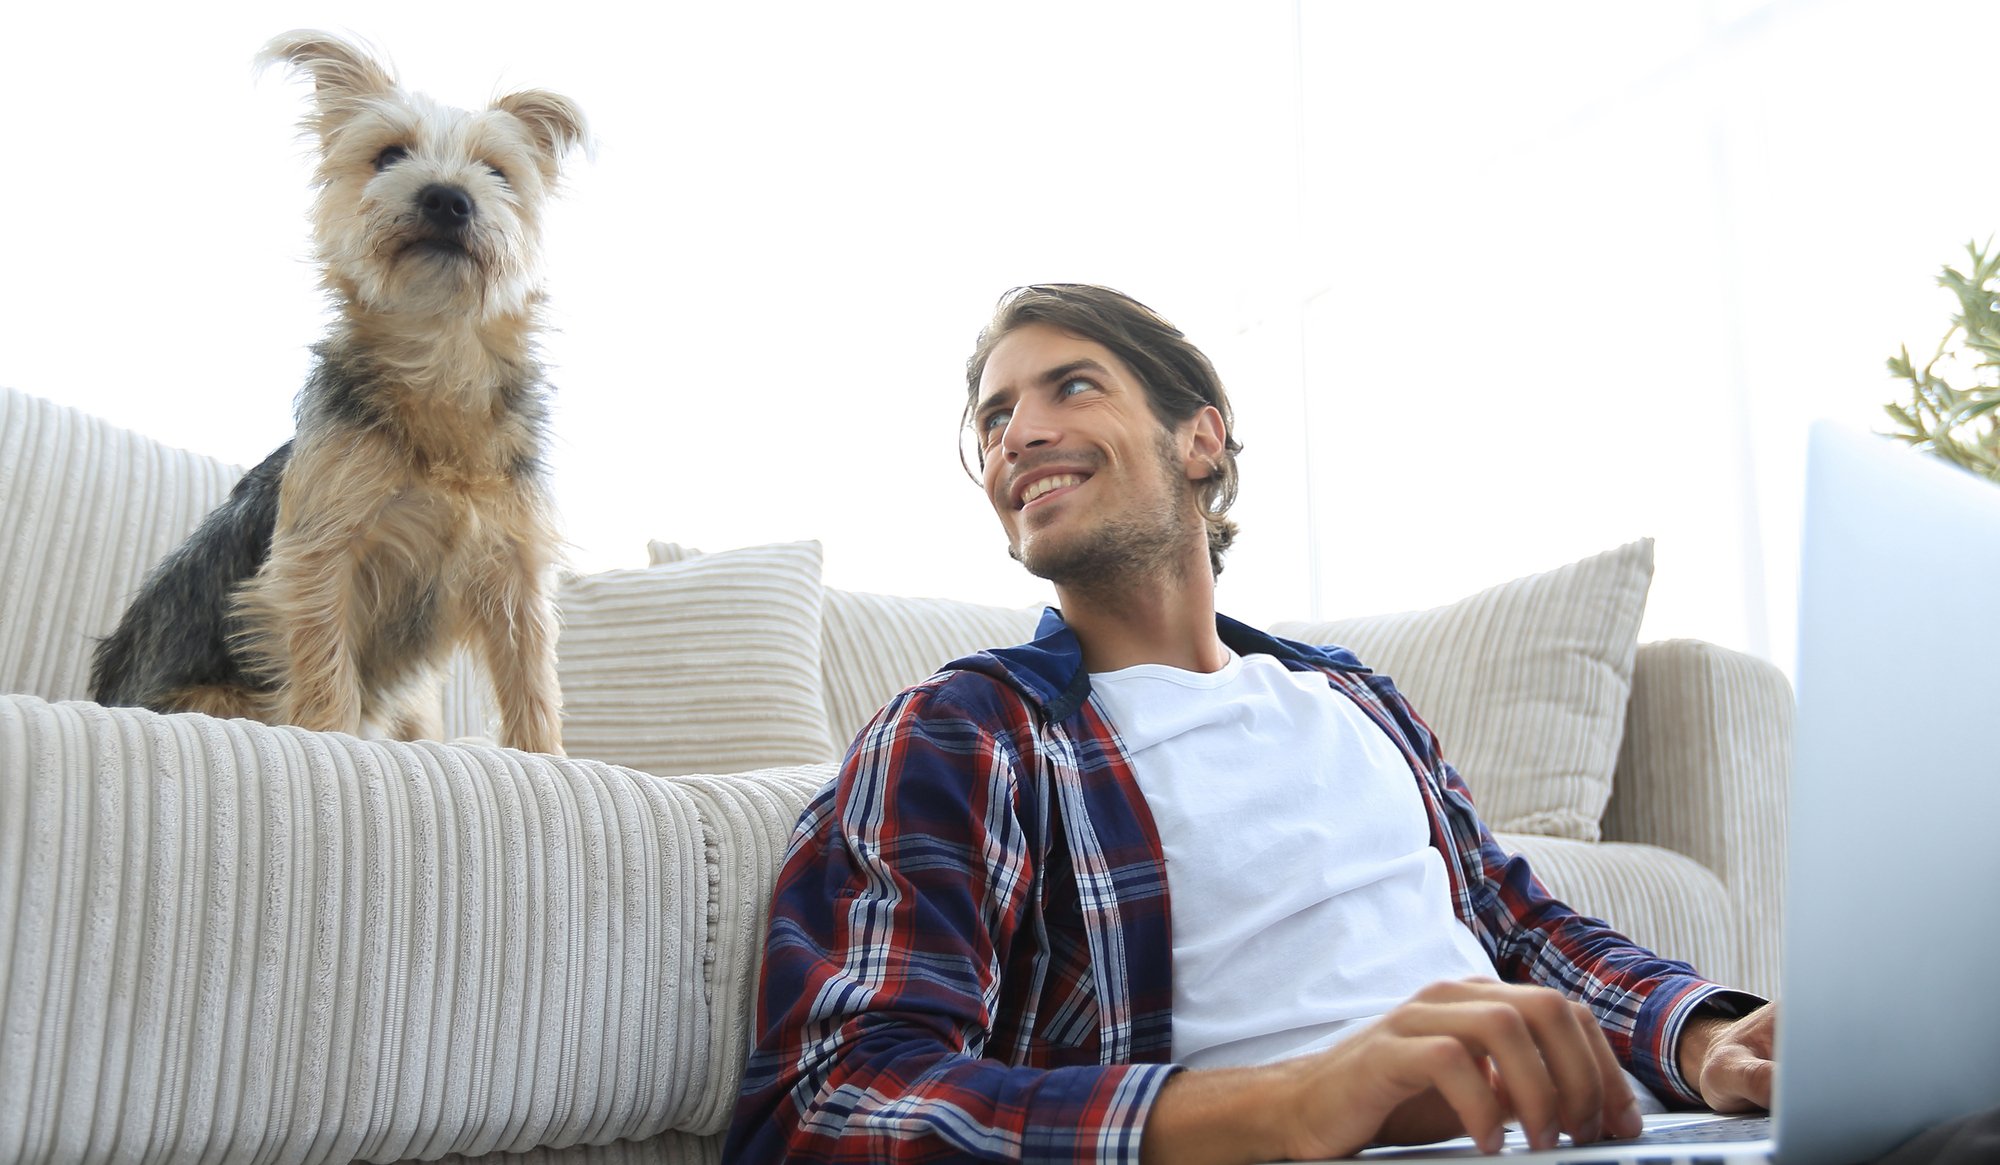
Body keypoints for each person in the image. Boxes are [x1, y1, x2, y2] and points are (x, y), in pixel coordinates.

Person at [723, 284, 1777, 1164]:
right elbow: (832, 1099)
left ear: (1199, 437)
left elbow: (1520, 927)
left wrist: (1707, 1042)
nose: (1019, 434)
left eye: (1069, 386)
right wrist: (1298, 1101)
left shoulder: (1352, 697)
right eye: (994, 419)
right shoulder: (969, 732)